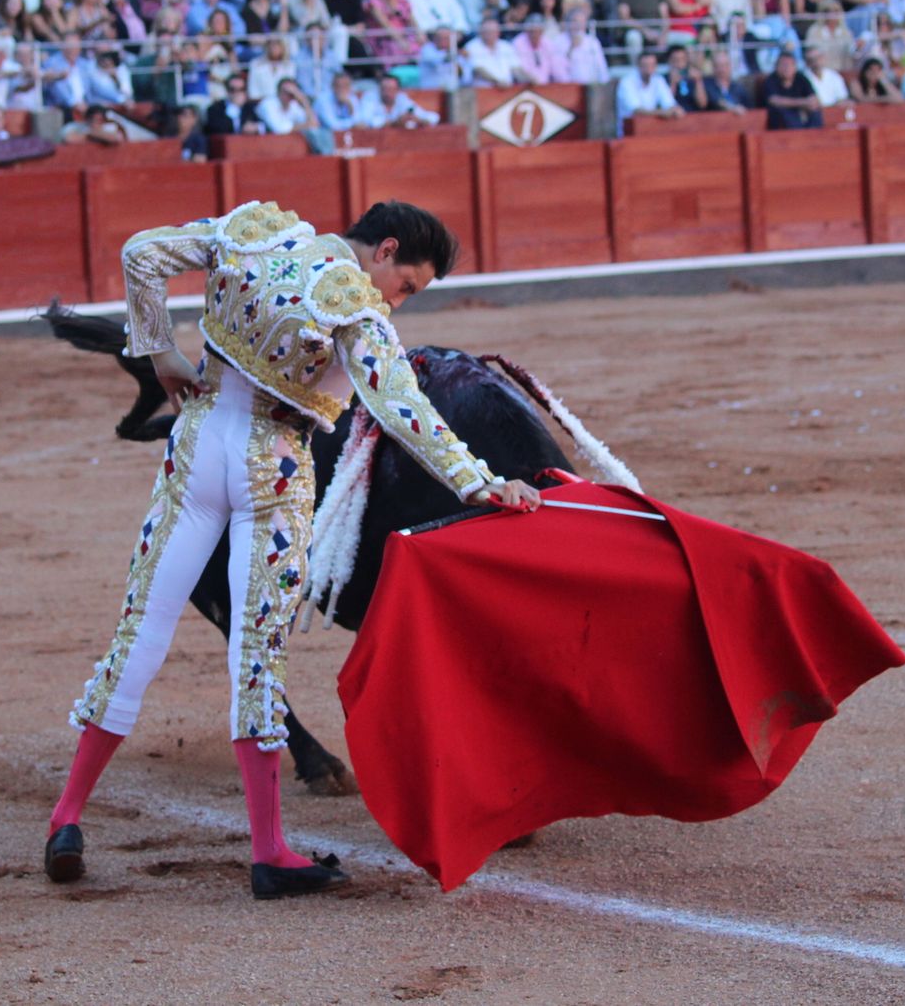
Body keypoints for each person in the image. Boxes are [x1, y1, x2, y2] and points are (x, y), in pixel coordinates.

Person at [46, 200, 540, 899]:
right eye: (406, 285)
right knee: (258, 656)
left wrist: (159, 349)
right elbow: (404, 409)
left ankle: (65, 819)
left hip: (193, 449)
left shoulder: (255, 233)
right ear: (384, 249)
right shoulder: (350, 301)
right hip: (271, 470)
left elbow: (141, 251)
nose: (397, 302)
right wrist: (479, 482)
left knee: (139, 633)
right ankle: (270, 850)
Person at [616, 50, 683, 127]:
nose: (649, 69)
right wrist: (661, 112)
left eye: (652, 65)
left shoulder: (658, 79)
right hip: (630, 130)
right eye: (645, 65)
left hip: (652, 127)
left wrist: (675, 109)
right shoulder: (627, 82)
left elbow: (669, 103)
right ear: (638, 65)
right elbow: (636, 111)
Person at [761, 48, 822, 127]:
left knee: (815, 112)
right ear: (776, 66)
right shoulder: (771, 80)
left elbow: (814, 98)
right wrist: (803, 103)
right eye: (783, 65)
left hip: (801, 114)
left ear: (795, 67)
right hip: (781, 119)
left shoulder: (801, 78)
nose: (786, 68)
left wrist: (809, 104)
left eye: (790, 65)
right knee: (782, 113)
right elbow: (774, 100)